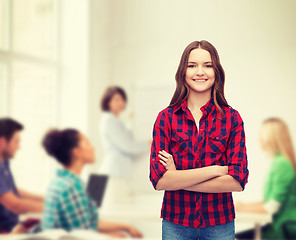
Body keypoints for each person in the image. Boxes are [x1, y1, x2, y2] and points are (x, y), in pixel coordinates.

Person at [149, 40, 249, 240]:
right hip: (176, 223)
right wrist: (216, 170)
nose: (200, 72)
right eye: (192, 65)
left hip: (219, 223)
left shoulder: (232, 118)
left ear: (216, 72)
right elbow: (159, 180)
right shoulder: (165, 118)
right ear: (182, 72)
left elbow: (237, 180)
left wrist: (177, 178)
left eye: (208, 65)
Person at [41, 128, 143, 238]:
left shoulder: (61, 181)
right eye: (87, 143)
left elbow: (89, 224)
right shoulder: (72, 187)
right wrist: (112, 236)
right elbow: (82, 235)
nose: (93, 147)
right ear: (77, 152)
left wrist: (125, 227)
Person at [235, 117, 296, 239]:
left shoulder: (281, 164)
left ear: (272, 138)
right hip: (278, 226)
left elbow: (271, 207)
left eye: (262, 135)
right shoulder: (278, 162)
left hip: (283, 229)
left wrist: (242, 208)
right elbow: (271, 201)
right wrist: (244, 206)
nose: (259, 139)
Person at [98, 86, 151, 206]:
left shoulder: (114, 121)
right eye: (117, 99)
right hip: (113, 174)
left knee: (118, 214)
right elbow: (127, 145)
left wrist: (130, 122)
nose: (121, 102)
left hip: (115, 174)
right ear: (108, 101)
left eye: (122, 99)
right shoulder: (109, 120)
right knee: (117, 215)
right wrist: (149, 144)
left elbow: (126, 141)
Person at [0, 118, 44, 233]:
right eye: (16, 142)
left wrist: (45, 198)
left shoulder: (4, 163)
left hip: (14, 226)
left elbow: (11, 191)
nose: (19, 147)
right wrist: (53, 207)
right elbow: (15, 205)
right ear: (2, 142)